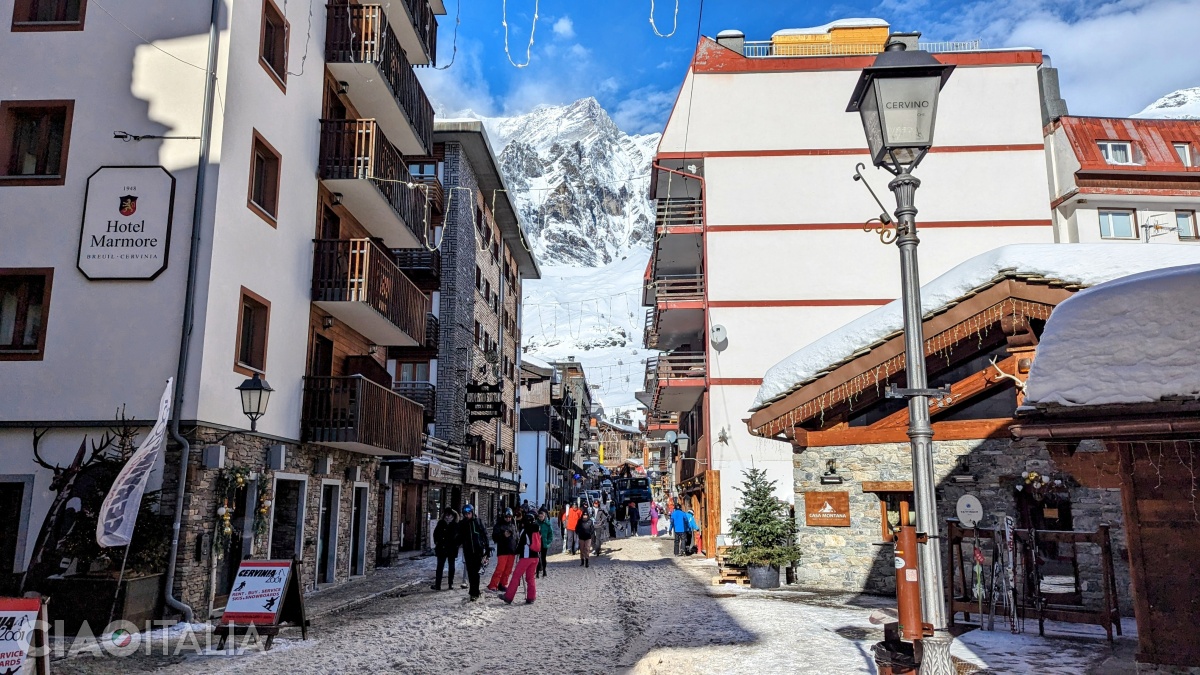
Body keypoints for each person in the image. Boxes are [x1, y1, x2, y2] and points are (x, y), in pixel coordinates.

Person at [503, 516, 542, 605]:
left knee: (516, 575)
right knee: (530, 577)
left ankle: (508, 596)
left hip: (526, 556)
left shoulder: (525, 530)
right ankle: (531, 597)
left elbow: (521, 544)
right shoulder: (537, 529)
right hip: (535, 556)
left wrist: (515, 551)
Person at [458, 505, 492, 601]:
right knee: (470, 572)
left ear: (472, 513)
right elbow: (459, 537)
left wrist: (487, 547)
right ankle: (472, 591)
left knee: (476, 572)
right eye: (466, 514)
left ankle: (475, 592)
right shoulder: (462, 524)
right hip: (468, 551)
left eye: (469, 513)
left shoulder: (478, 522)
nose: (467, 515)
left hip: (478, 551)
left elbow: (484, 534)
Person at [488, 509, 519, 592]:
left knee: (508, 570)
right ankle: (493, 585)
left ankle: (503, 584)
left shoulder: (513, 525)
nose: (508, 518)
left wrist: (517, 546)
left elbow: (516, 537)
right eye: (506, 517)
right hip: (503, 550)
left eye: (510, 517)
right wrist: (503, 535)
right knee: (500, 569)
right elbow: (495, 537)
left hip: (512, 550)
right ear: (503, 516)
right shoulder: (499, 525)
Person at [431, 509, 459, 590]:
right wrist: (437, 542)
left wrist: (456, 544)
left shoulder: (455, 525)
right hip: (441, 548)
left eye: (449, 516)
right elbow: (435, 534)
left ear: (453, 516)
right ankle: (437, 585)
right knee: (440, 567)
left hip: (451, 548)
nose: (448, 517)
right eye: (446, 515)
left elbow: (458, 536)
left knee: (451, 566)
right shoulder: (440, 523)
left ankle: (450, 584)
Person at [536, 509, 554, 578]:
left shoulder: (547, 524)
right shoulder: (536, 524)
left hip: (544, 544)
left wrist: (548, 542)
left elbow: (551, 534)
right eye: (539, 517)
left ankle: (544, 570)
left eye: (542, 516)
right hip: (537, 543)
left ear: (544, 516)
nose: (541, 518)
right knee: (537, 558)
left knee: (543, 558)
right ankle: (537, 572)